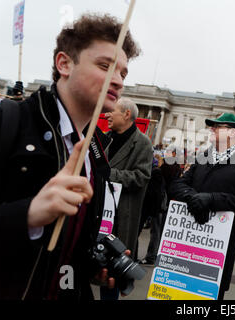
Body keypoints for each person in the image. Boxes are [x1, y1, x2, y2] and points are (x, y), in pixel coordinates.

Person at [0, 13, 140, 300]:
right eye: (105, 66)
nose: (119, 81)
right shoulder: (4, 122)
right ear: (65, 64)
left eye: (123, 73)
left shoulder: (96, 150)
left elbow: (67, 254)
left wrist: (90, 267)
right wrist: (29, 215)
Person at [169, 113, 235, 300]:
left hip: (218, 251)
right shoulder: (202, 158)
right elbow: (177, 186)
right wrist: (195, 198)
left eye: (218, 126)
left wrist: (212, 199)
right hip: (187, 243)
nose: (212, 129)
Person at [101, 97, 152, 300]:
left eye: (112, 111)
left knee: (112, 274)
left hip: (121, 217)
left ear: (126, 114)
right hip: (99, 213)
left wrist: (108, 174)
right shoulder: (104, 137)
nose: (107, 115)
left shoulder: (143, 143)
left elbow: (141, 177)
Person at [139, 154, 167, 265]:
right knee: (156, 232)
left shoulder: (156, 172)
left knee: (155, 232)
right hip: (158, 207)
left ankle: (151, 257)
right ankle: (152, 256)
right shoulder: (159, 171)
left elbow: (155, 193)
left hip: (157, 208)